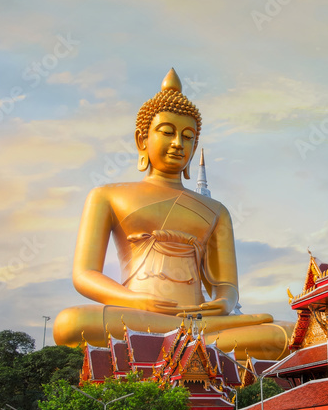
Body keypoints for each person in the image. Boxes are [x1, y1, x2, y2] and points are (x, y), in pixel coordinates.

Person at [51, 70, 292, 362]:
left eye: (188, 137)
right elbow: (85, 274)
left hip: (201, 322)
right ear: (142, 139)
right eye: (167, 132)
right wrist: (133, 300)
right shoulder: (106, 195)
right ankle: (188, 338)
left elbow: (226, 287)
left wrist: (224, 302)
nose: (178, 143)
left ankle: (186, 336)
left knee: (286, 334)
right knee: (69, 324)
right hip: (137, 314)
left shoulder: (217, 211)